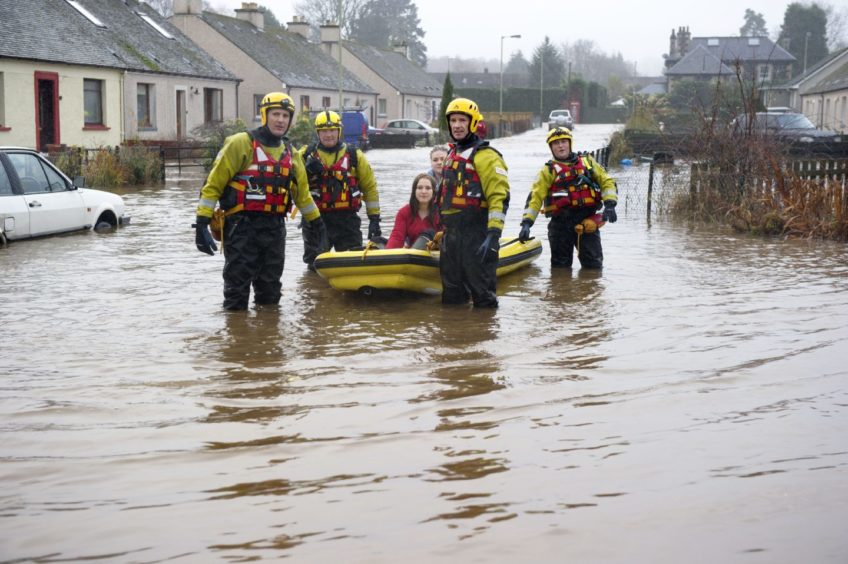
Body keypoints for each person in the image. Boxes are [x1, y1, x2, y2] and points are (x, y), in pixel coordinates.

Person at [193, 92, 327, 311]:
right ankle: (238, 338)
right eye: (275, 114)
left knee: (270, 293)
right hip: (241, 227)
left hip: (274, 229)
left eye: (285, 115)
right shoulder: (240, 144)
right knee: (236, 293)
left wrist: (318, 225)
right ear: (264, 115)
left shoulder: (291, 154)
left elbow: (303, 197)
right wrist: (201, 224)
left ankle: (267, 339)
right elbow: (213, 185)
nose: (280, 120)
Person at [436, 97, 510, 308]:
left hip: (477, 236)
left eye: (462, 120)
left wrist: (494, 235)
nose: (457, 125)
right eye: (453, 120)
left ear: (473, 123)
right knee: (451, 296)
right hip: (452, 238)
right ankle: (454, 336)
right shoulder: (451, 154)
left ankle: (483, 337)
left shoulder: (486, 156)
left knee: (483, 297)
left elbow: (500, 198)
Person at [517, 127, 617, 269]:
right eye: (556, 143)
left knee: (593, 268)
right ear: (551, 148)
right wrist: (527, 223)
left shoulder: (587, 162)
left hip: (586, 222)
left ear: (570, 143)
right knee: (560, 271)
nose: (560, 146)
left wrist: (610, 205)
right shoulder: (548, 170)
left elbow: (606, 181)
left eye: (563, 142)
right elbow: (535, 197)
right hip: (560, 224)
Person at [301, 110, 381, 267]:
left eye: (332, 130)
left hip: (347, 220)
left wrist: (374, 219)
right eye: (324, 131)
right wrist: (306, 171)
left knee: (352, 264)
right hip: (316, 220)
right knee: (315, 267)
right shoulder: (305, 155)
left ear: (339, 131)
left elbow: (370, 188)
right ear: (318, 132)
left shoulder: (354, 155)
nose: (328, 135)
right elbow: (292, 183)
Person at [386, 173, 441, 249]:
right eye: (420, 188)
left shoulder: (441, 213)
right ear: (414, 191)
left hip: (434, 253)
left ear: (434, 192)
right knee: (377, 241)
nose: (423, 191)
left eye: (428, 188)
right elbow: (397, 237)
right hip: (411, 254)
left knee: (429, 233)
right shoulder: (403, 212)